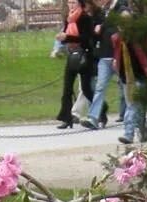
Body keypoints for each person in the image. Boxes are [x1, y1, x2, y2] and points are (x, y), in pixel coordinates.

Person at [110, 4, 147, 145]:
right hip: (126, 78)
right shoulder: (117, 39)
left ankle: (131, 133)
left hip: (140, 76)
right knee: (135, 107)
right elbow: (117, 57)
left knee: (134, 106)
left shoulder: (139, 37)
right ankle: (140, 131)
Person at [53, 2, 98, 130]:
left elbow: (86, 38)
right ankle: (66, 118)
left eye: (74, 2)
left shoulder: (85, 18)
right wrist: (63, 39)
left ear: (80, 4)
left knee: (86, 88)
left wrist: (68, 37)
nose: (71, 5)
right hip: (72, 55)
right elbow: (69, 37)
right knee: (67, 88)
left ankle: (101, 109)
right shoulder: (69, 18)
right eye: (69, 2)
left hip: (85, 55)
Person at [82, 0, 121, 131]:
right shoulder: (102, 11)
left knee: (127, 88)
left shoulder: (120, 7)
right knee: (99, 87)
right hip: (104, 55)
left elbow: (118, 32)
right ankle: (93, 117)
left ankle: (136, 119)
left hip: (117, 55)